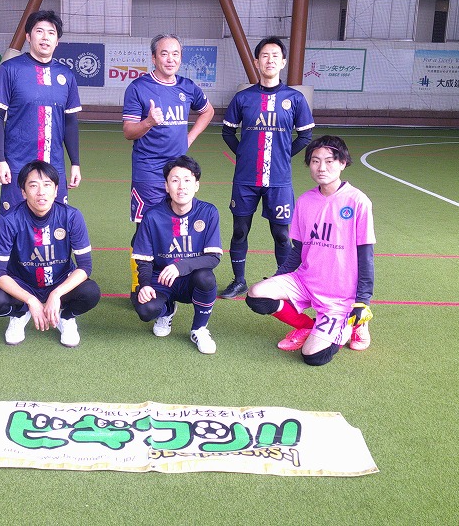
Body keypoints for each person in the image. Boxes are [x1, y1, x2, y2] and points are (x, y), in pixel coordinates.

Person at [245, 136, 375, 366]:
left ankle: (355, 323)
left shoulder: (358, 201)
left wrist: (362, 301)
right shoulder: (305, 201)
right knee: (257, 295)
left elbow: (366, 256)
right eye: (315, 161)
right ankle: (309, 326)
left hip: (339, 295)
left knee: (313, 357)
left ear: (343, 163)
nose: (321, 167)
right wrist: (278, 277)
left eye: (329, 161)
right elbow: (298, 250)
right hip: (306, 281)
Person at [218, 36, 314, 299]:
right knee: (240, 230)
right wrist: (245, 155)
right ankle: (239, 281)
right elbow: (227, 132)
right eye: (264, 55)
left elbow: (305, 136)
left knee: (282, 234)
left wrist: (282, 156)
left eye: (275, 56)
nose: (269, 60)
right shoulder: (243, 98)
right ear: (256, 62)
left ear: (283, 62)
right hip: (245, 179)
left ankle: (283, 282)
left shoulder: (294, 98)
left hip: (279, 180)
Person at [122, 33, 214, 294]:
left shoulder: (187, 87)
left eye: (175, 54)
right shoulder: (138, 88)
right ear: (154, 58)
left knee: (177, 225)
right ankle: (140, 285)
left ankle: (171, 282)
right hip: (149, 171)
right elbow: (129, 131)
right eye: (164, 53)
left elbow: (207, 111)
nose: (170, 59)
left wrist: (189, 138)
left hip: (178, 170)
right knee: (146, 229)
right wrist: (149, 122)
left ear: (181, 58)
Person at [0, 160, 100, 347]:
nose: (41, 192)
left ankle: (65, 317)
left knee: (91, 292)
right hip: (23, 283)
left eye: (47, 185)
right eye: (33, 185)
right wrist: (30, 300)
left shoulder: (71, 216)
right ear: (23, 192)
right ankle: (20, 314)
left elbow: (85, 267)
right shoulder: (8, 220)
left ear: (56, 190)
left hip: (59, 281)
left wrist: (56, 294)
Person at [0, 9, 82, 215]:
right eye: (39, 31)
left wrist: (75, 163)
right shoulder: (10, 69)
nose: (45, 37)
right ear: (28, 37)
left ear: (57, 41)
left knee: (56, 221)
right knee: (13, 221)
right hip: (17, 165)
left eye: (51, 33)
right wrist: (0, 160)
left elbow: (70, 122)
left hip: (54, 166)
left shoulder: (66, 75)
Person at [131, 155, 223, 355]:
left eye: (187, 180)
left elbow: (213, 257)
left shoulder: (208, 212)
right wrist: (145, 284)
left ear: (196, 185)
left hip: (191, 279)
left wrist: (180, 266)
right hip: (161, 279)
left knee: (206, 277)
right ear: (166, 186)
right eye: (175, 180)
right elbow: (143, 259)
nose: (181, 186)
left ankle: (199, 328)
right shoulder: (152, 216)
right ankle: (167, 310)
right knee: (145, 309)